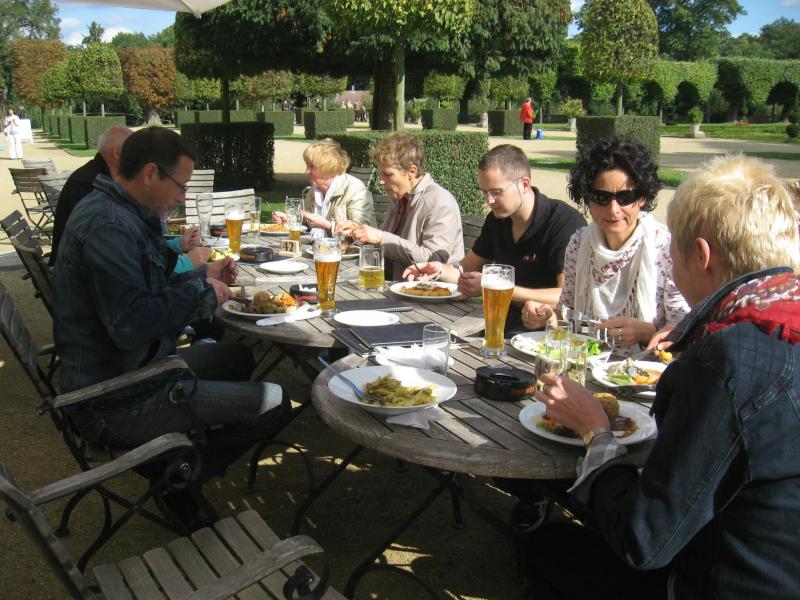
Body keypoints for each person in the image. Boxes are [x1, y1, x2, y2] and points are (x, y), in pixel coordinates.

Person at [528, 154, 800, 599]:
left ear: (701, 256)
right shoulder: (782, 319)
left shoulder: (724, 361)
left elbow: (643, 539)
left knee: (547, 547)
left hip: (723, 582)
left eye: (673, 253)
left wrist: (597, 433)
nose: (669, 263)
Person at [53, 127, 290, 528]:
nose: (182, 197)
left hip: (139, 369)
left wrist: (203, 276)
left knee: (236, 357)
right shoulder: (108, 226)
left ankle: (178, 457)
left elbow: (148, 286)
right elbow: (130, 324)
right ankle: (179, 476)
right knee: (277, 401)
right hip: (112, 399)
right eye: (180, 185)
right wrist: (203, 294)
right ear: (150, 173)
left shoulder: (121, 212)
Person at [521, 138, 690, 347]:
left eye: (625, 197)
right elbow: (570, 317)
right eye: (601, 197)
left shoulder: (665, 247)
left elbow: (683, 330)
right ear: (587, 199)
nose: (613, 209)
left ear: (643, 198)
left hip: (645, 363)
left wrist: (648, 333)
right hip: (585, 358)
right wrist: (547, 315)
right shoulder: (579, 243)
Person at [405, 144, 585, 333]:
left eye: (496, 192)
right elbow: (465, 269)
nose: (489, 200)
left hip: (546, 333)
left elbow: (567, 296)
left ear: (524, 184)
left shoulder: (564, 223)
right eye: (484, 192)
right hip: (497, 323)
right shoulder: (498, 219)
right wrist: (438, 271)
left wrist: (496, 288)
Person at [346, 132, 464, 280]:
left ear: (411, 172)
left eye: (388, 175)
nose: (380, 181)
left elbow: (434, 260)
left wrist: (381, 237)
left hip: (433, 290)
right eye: (381, 174)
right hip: (398, 285)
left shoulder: (440, 202)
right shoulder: (400, 198)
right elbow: (383, 244)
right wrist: (355, 233)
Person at [50, 126, 133, 265]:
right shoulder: (89, 183)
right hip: (76, 269)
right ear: (117, 153)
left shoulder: (97, 174)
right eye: (136, 151)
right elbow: (105, 237)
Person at [272, 138, 376, 238]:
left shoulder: (356, 190)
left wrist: (328, 226)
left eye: (312, 166)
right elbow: (308, 222)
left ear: (328, 168)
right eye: (307, 165)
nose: (306, 171)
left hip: (350, 249)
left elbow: (360, 232)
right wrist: (290, 219)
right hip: (320, 246)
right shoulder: (315, 190)